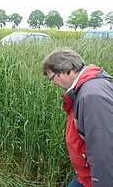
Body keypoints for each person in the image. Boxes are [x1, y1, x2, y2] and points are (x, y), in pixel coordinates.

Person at [42, 48, 113, 187]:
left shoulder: (92, 96)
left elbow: (103, 149)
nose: (54, 83)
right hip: (86, 175)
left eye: (52, 78)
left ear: (64, 71)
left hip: (95, 178)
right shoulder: (85, 89)